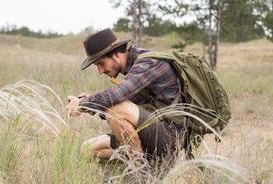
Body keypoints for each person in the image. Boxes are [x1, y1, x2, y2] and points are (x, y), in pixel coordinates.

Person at [66, 28, 185, 160]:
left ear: (116, 54)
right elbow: (122, 106)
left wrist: (82, 104)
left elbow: (115, 98)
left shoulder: (148, 64)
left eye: (101, 63)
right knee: (87, 149)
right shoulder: (133, 69)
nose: (100, 71)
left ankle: (139, 171)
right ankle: (130, 169)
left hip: (170, 139)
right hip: (150, 131)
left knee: (116, 110)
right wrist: (89, 104)